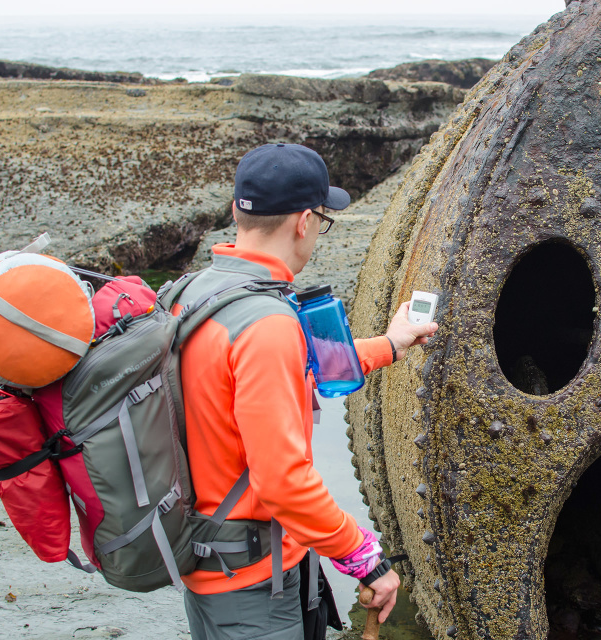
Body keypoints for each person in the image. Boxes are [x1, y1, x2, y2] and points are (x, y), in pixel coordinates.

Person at [174, 142, 438, 640]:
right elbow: (282, 482)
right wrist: (363, 557)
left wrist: (390, 344)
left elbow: (287, 374)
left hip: (208, 559)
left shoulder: (196, 295)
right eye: (323, 218)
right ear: (304, 221)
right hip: (252, 582)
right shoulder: (267, 325)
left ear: (236, 210)